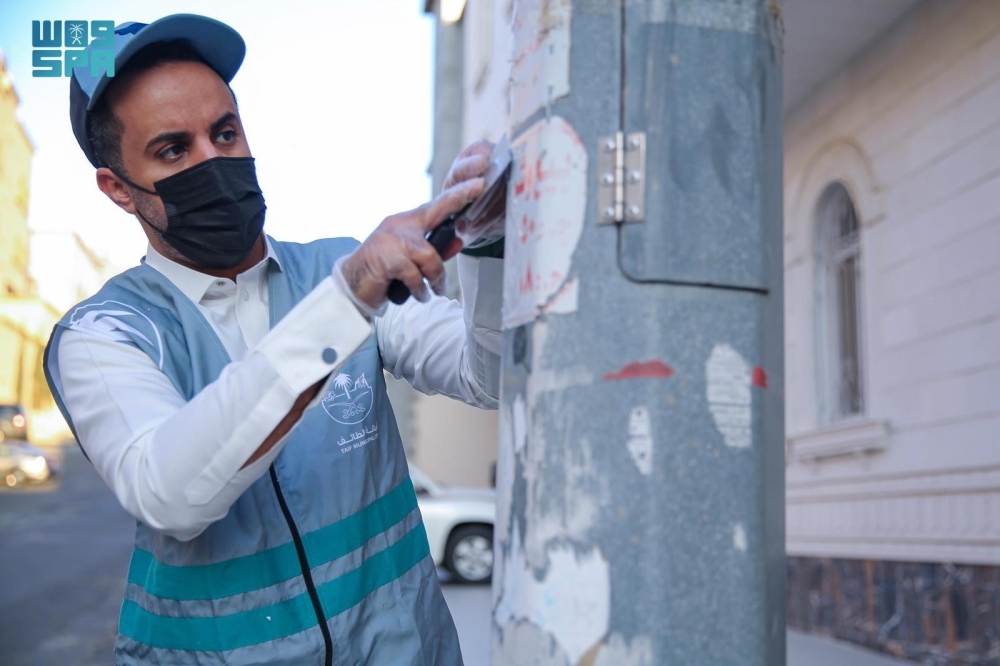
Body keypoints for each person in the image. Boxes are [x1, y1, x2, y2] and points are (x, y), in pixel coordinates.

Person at [44, 14, 504, 666]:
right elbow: (169, 492)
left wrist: (487, 247)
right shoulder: (103, 335)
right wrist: (346, 301)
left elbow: (491, 377)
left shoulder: (336, 270)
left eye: (224, 132)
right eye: (174, 150)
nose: (213, 161)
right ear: (118, 188)